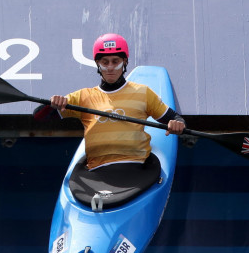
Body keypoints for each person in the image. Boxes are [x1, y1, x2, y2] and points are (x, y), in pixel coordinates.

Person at [34, 33, 186, 171]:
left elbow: (176, 119)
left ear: (125, 61)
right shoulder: (83, 96)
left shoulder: (143, 93)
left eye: (116, 61)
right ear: (97, 64)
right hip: (97, 169)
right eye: (105, 62)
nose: (110, 68)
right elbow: (39, 117)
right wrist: (52, 105)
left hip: (136, 167)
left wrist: (177, 124)